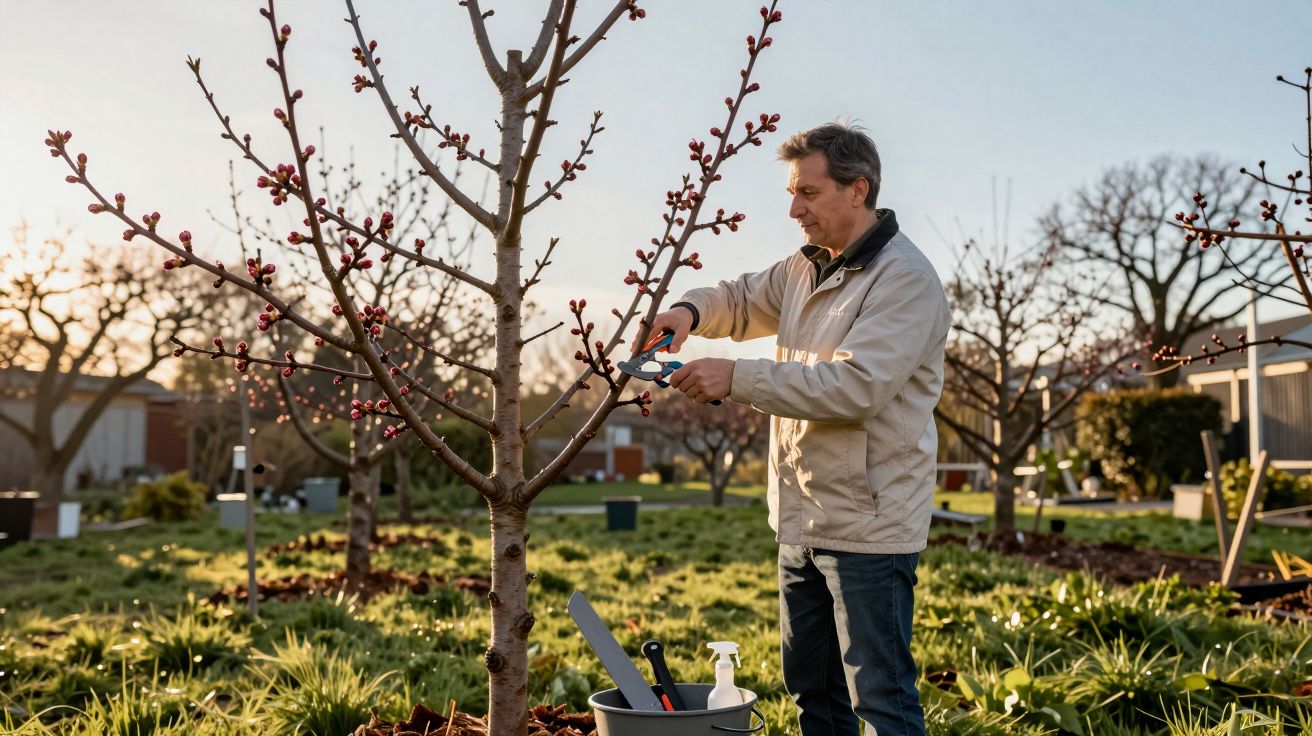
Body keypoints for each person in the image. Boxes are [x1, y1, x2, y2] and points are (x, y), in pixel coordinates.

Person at [641, 122, 950, 736]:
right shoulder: (807, 268)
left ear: (857, 190)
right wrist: (688, 310)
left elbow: (855, 387)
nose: (793, 209)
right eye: (792, 192)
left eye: (807, 193)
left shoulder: (904, 281)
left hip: (869, 527)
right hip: (801, 520)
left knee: (881, 699)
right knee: (815, 695)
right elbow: (744, 296)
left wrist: (738, 377)